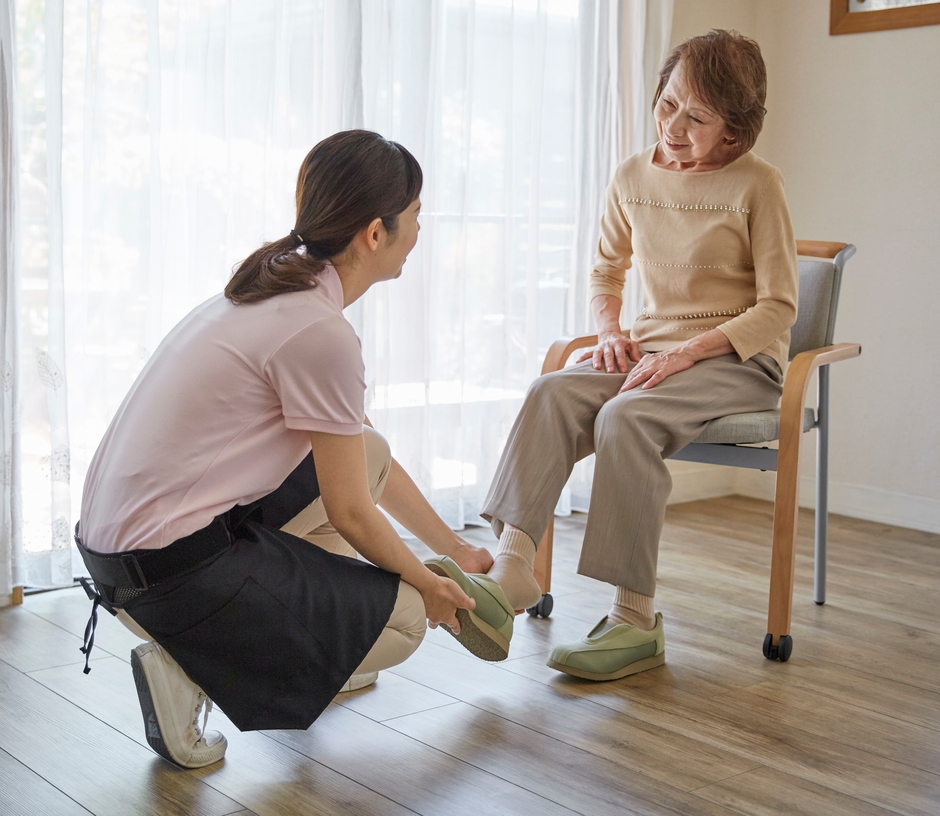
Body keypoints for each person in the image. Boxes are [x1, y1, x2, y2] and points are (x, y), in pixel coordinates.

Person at [75, 130, 514, 769]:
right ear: (374, 232)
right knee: (409, 619)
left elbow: (363, 459)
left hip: (124, 555)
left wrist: (454, 548)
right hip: (166, 577)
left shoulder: (273, 291)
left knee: (365, 450)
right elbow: (351, 513)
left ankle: (314, 642)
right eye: (416, 216)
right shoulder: (320, 332)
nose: (421, 231)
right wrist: (430, 583)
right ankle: (191, 662)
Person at [481, 30, 797, 681]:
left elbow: (779, 307)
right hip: (652, 353)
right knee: (552, 390)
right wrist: (608, 331)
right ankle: (511, 572)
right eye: (668, 104)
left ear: (734, 131)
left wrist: (690, 350)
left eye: (697, 117)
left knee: (625, 417)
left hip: (738, 361)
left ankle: (634, 622)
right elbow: (605, 274)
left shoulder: (759, 186)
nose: (674, 127)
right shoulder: (631, 176)